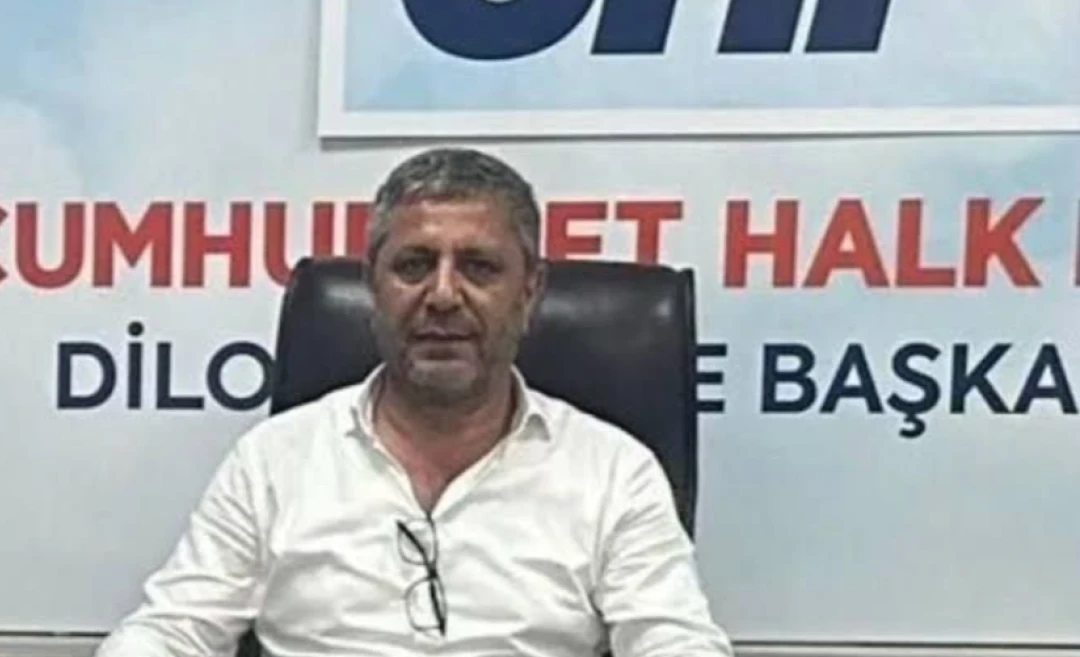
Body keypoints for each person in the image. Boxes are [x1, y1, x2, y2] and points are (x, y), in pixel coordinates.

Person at [95, 147, 734, 657]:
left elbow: (675, 640)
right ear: (372, 285)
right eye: (414, 266)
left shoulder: (613, 471)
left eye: (479, 267)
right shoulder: (275, 460)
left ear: (530, 290)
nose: (444, 296)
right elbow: (172, 629)